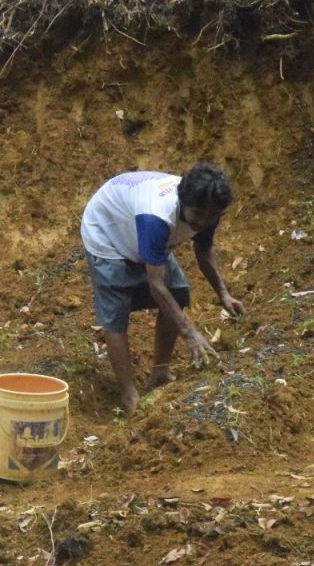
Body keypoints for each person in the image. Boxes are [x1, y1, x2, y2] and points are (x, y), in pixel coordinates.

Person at [80, 163, 246, 414]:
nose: (203, 222)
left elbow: (203, 249)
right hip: (108, 232)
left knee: (177, 291)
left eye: (211, 216)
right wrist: (189, 333)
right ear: (182, 201)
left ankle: (159, 374)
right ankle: (128, 395)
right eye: (197, 214)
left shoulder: (208, 206)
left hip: (140, 227)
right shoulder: (157, 217)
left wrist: (223, 293)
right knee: (116, 312)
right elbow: (156, 284)